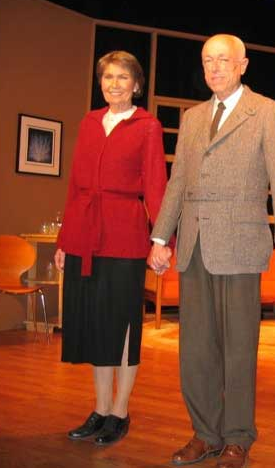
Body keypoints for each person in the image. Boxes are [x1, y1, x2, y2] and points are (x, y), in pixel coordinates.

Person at [148, 34, 275, 468]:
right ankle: (205, 433)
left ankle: (237, 437)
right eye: (207, 61)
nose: (214, 68)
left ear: (242, 65)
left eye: (223, 60)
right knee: (196, 349)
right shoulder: (192, 117)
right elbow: (178, 181)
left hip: (240, 244)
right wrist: (160, 238)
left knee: (238, 349)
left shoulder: (266, 112)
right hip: (194, 245)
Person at [55, 51, 168, 445]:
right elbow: (75, 184)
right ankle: (100, 408)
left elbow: (156, 185)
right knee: (96, 324)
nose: (114, 84)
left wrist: (161, 240)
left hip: (124, 236)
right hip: (85, 233)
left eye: (122, 77)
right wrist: (65, 239)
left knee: (121, 325)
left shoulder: (148, 126)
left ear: (136, 85)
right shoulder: (89, 122)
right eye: (107, 77)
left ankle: (120, 411)